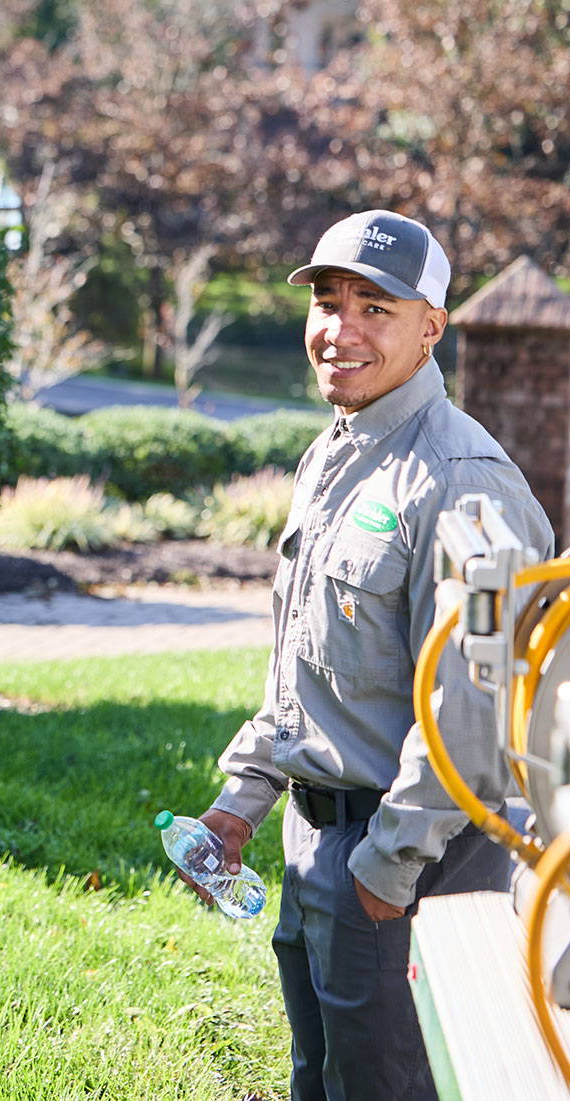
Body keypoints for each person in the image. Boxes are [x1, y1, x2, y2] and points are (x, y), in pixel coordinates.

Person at [192, 210, 555, 1101]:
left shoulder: (463, 478)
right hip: (315, 841)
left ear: (432, 326)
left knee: (391, 1085)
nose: (339, 329)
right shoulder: (334, 454)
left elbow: (476, 706)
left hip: (406, 856)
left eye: (375, 306)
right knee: (321, 1078)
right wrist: (244, 797)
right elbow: (303, 663)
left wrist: (387, 868)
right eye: (326, 301)